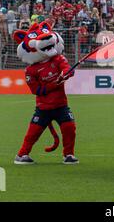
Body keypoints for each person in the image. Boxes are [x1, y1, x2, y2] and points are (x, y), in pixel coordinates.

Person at [13, 22, 78, 165]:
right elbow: (36, 91)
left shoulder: (58, 58)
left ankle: (68, 155)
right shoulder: (31, 71)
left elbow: (67, 69)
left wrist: (67, 73)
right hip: (43, 108)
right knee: (33, 133)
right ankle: (22, 155)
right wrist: (53, 85)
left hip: (61, 105)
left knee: (69, 128)